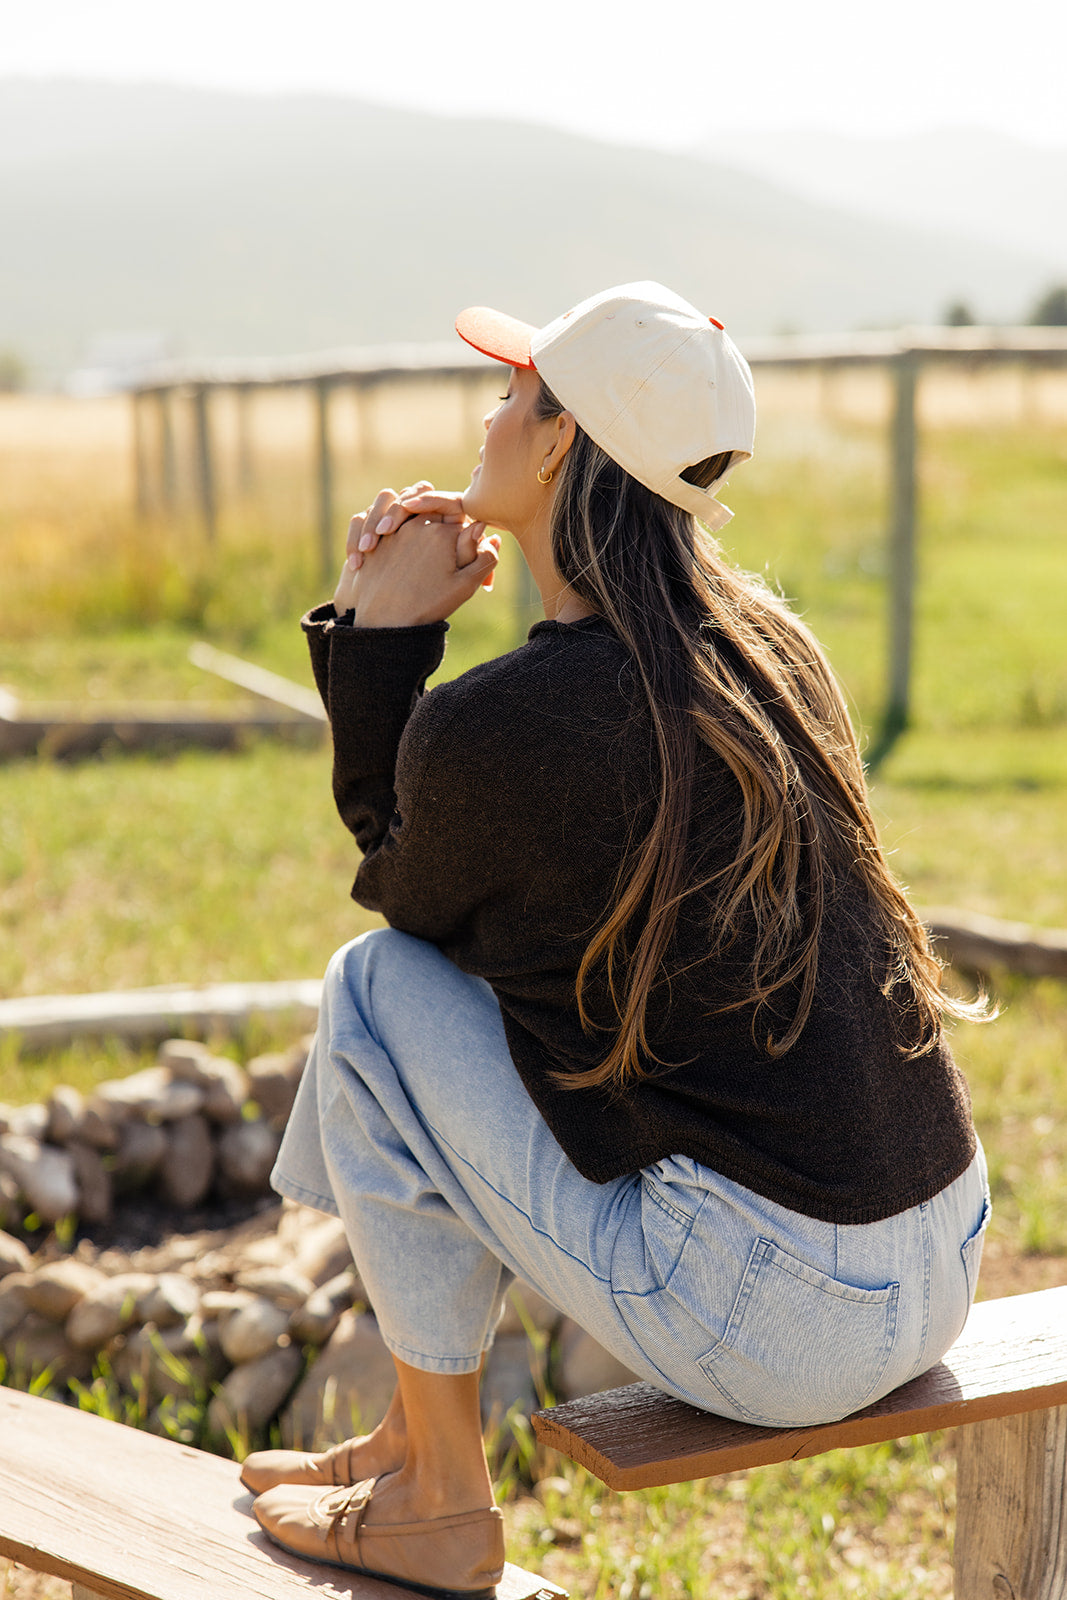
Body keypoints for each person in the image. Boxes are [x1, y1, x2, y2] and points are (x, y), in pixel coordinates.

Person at [243, 283, 990, 1599]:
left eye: (513, 393)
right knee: (397, 998)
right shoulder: (772, 648)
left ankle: (438, 1496)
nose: (486, 411)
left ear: (559, 447)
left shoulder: (517, 720)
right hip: (939, 1257)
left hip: (788, 1312)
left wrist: (378, 647)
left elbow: (399, 895)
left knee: (368, 992)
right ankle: (416, 1437)